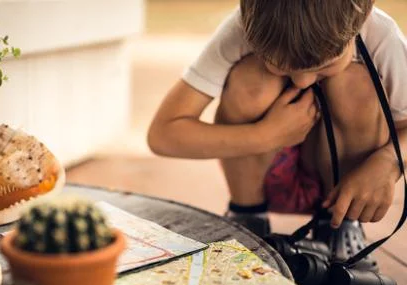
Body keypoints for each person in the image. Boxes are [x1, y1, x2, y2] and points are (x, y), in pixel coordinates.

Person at [147, 0, 407, 271]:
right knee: (252, 80)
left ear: (361, 16)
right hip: (262, 177)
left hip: (343, 187)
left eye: (325, 66)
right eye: (282, 68)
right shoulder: (244, 28)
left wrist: (389, 162)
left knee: (356, 83)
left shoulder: (381, 34)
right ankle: (248, 216)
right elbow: (162, 134)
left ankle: (339, 225)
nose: (303, 82)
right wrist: (265, 136)